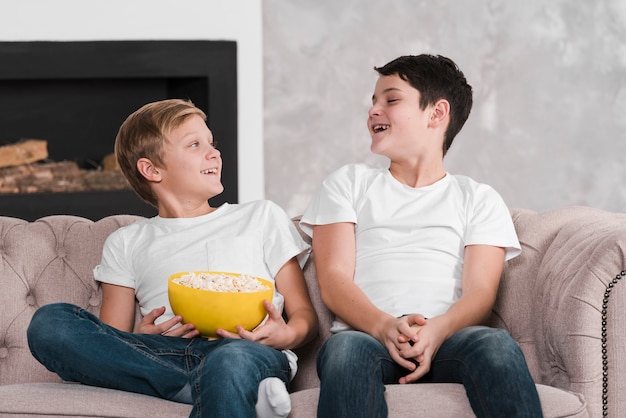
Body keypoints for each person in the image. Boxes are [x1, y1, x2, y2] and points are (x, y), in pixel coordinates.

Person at [27, 98, 318, 418]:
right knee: (50, 323)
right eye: (194, 144)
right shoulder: (127, 241)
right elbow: (111, 338)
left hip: (248, 350)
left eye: (212, 142)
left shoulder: (260, 216)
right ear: (151, 169)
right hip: (165, 354)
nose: (214, 152)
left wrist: (286, 334)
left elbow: (304, 315)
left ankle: (212, 384)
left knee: (229, 361)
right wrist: (141, 337)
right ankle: (211, 389)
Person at [299, 54, 543, 417]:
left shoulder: (477, 198)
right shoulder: (347, 184)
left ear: (437, 113)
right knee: (345, 352)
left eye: (391, 99)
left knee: (495, 345)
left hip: (449, 337)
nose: (373, 111)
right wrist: (384, 326)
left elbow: (480, 292)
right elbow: (333, 279)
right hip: (367, 335)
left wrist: (437, 330)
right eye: (373, 101)